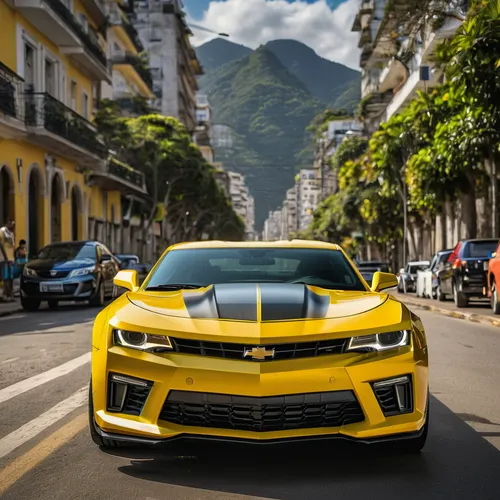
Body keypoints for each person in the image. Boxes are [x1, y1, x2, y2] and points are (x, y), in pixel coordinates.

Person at [0, 219, 16, 302]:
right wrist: (5, 257)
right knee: (5, 277)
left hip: (11, 259)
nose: (12, 225)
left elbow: (12, 246)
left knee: (11, 278)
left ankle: (10, 294)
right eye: (11, 223)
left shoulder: (11, 233)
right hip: (4, 259)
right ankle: (4, 295)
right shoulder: (2, 231)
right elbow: (2, 245)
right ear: (6, 223)